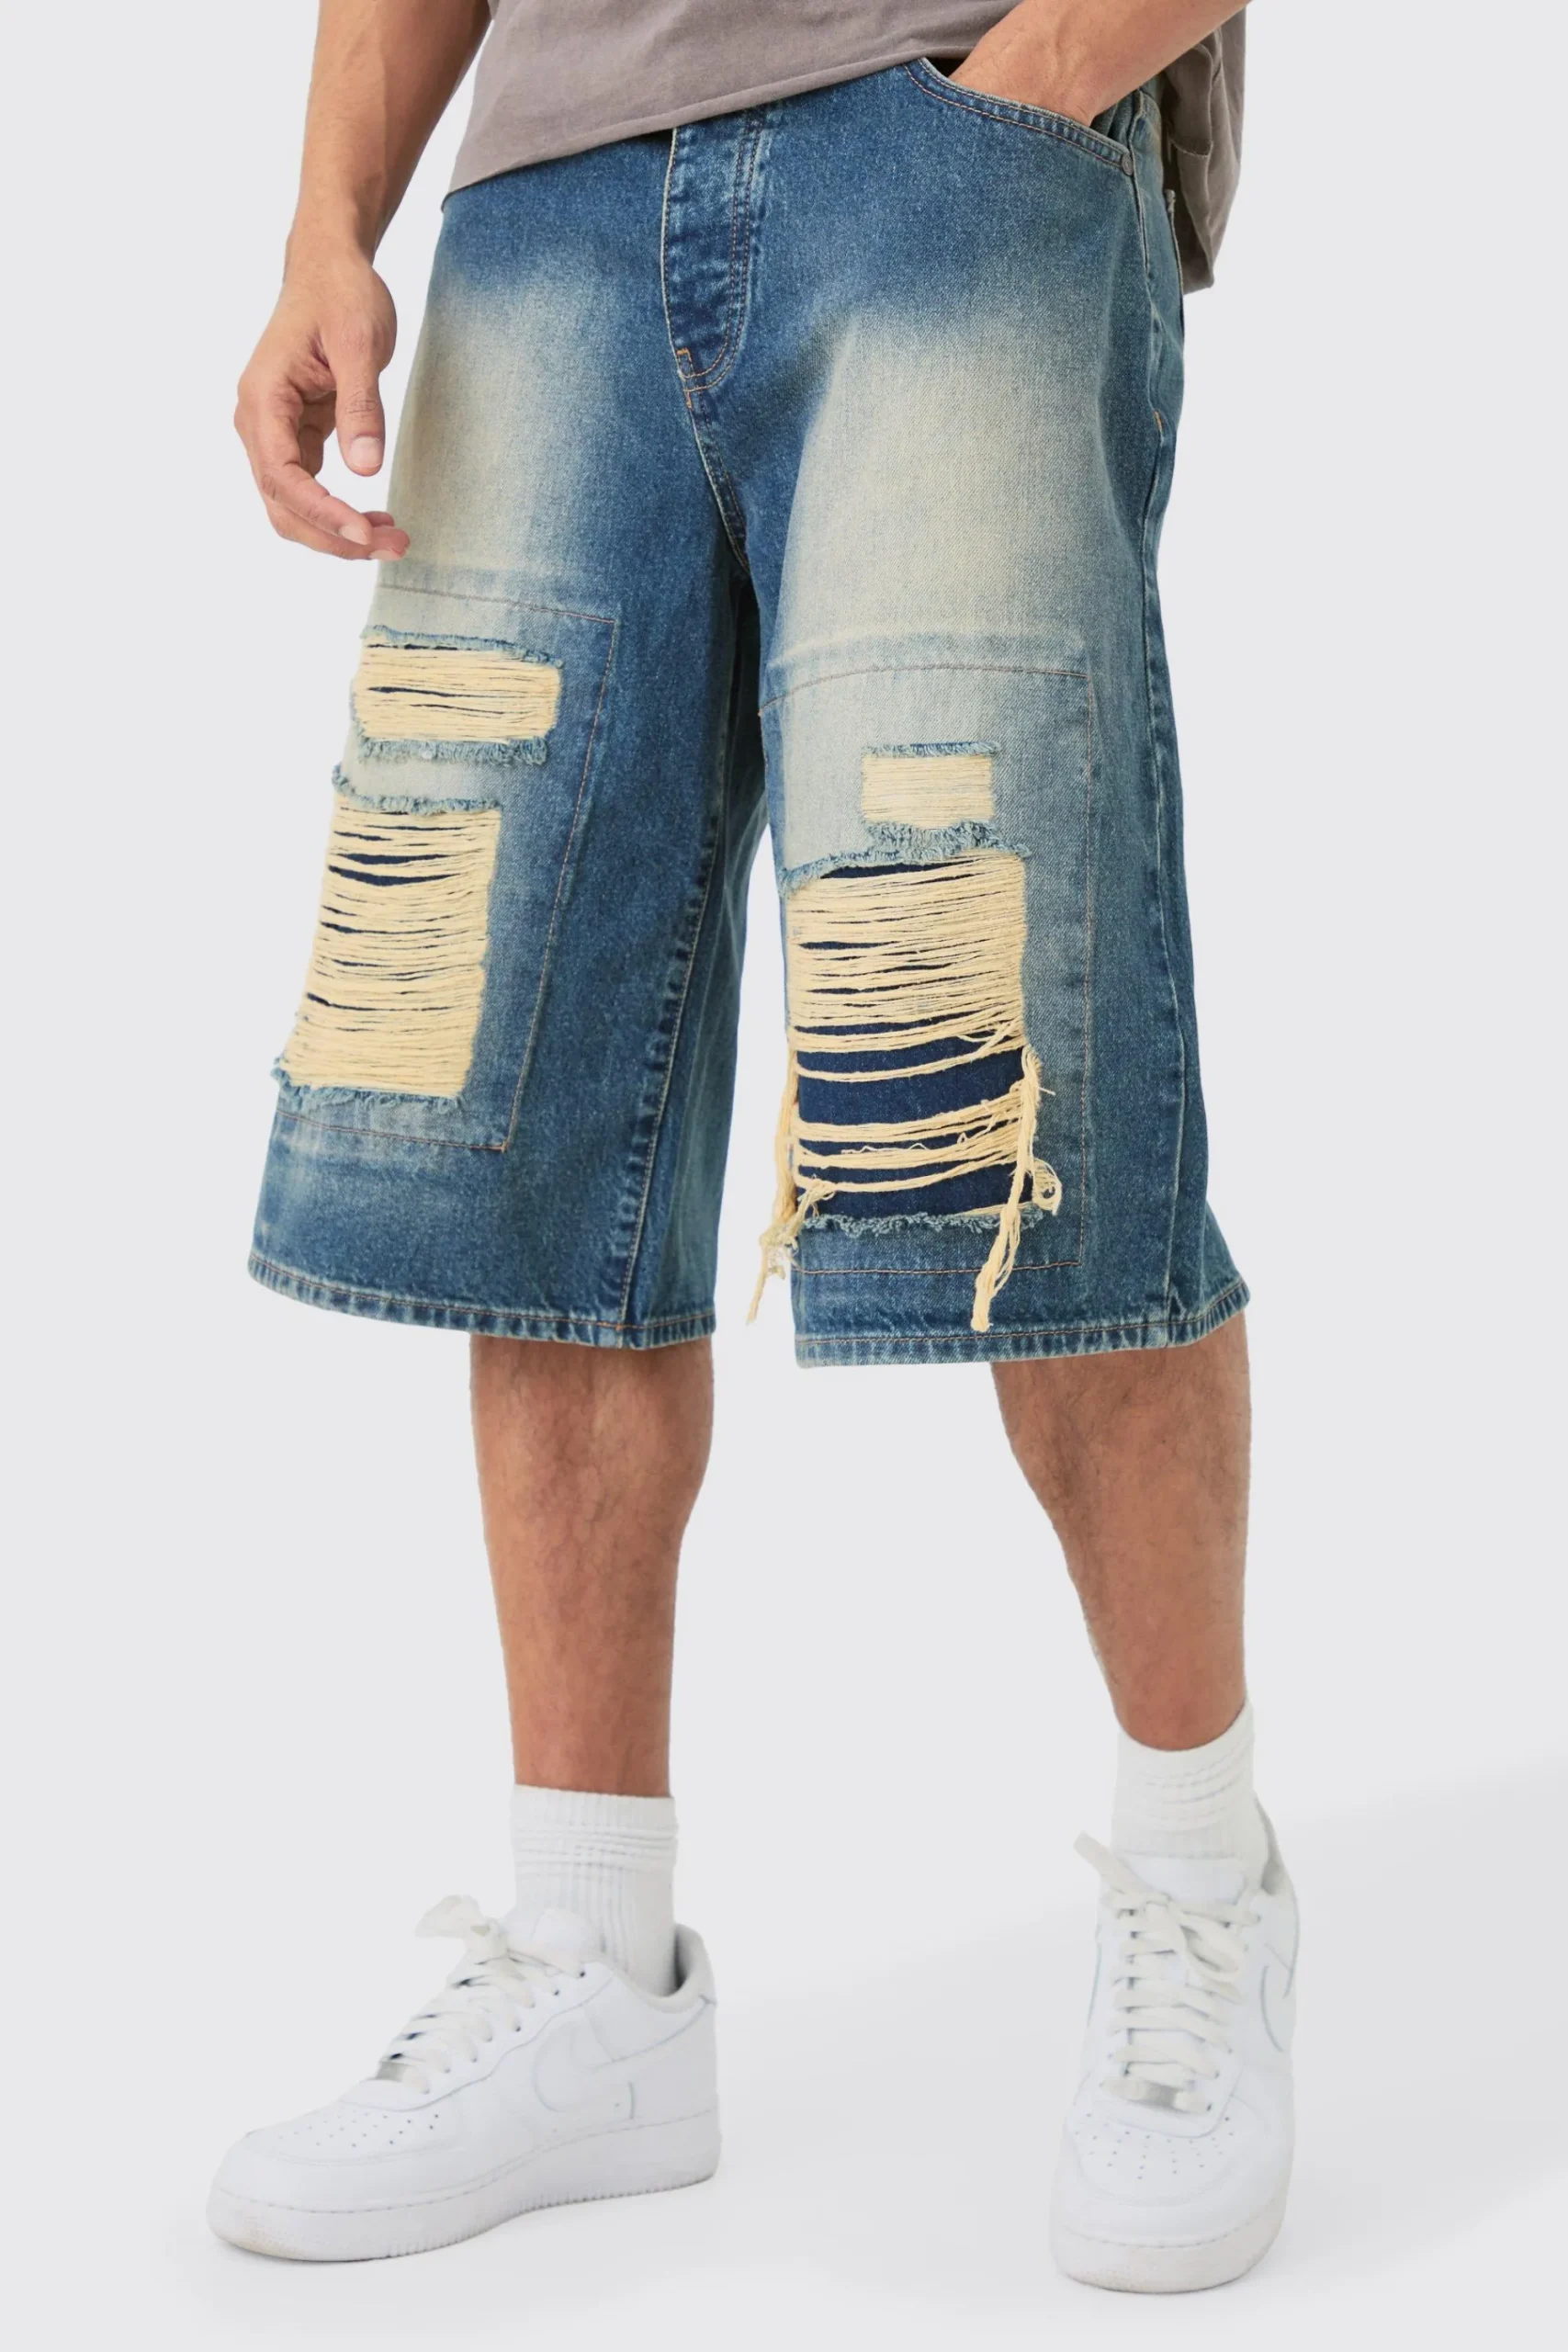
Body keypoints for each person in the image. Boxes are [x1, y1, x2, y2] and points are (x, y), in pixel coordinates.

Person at [210, 0, 1298, 2294]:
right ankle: (590, 1963)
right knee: (525, 1111)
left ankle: (1202, 1885)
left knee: (1015, 1107)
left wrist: (1033, 86)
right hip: (544, 207)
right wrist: (329, 216)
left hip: (950, 151)